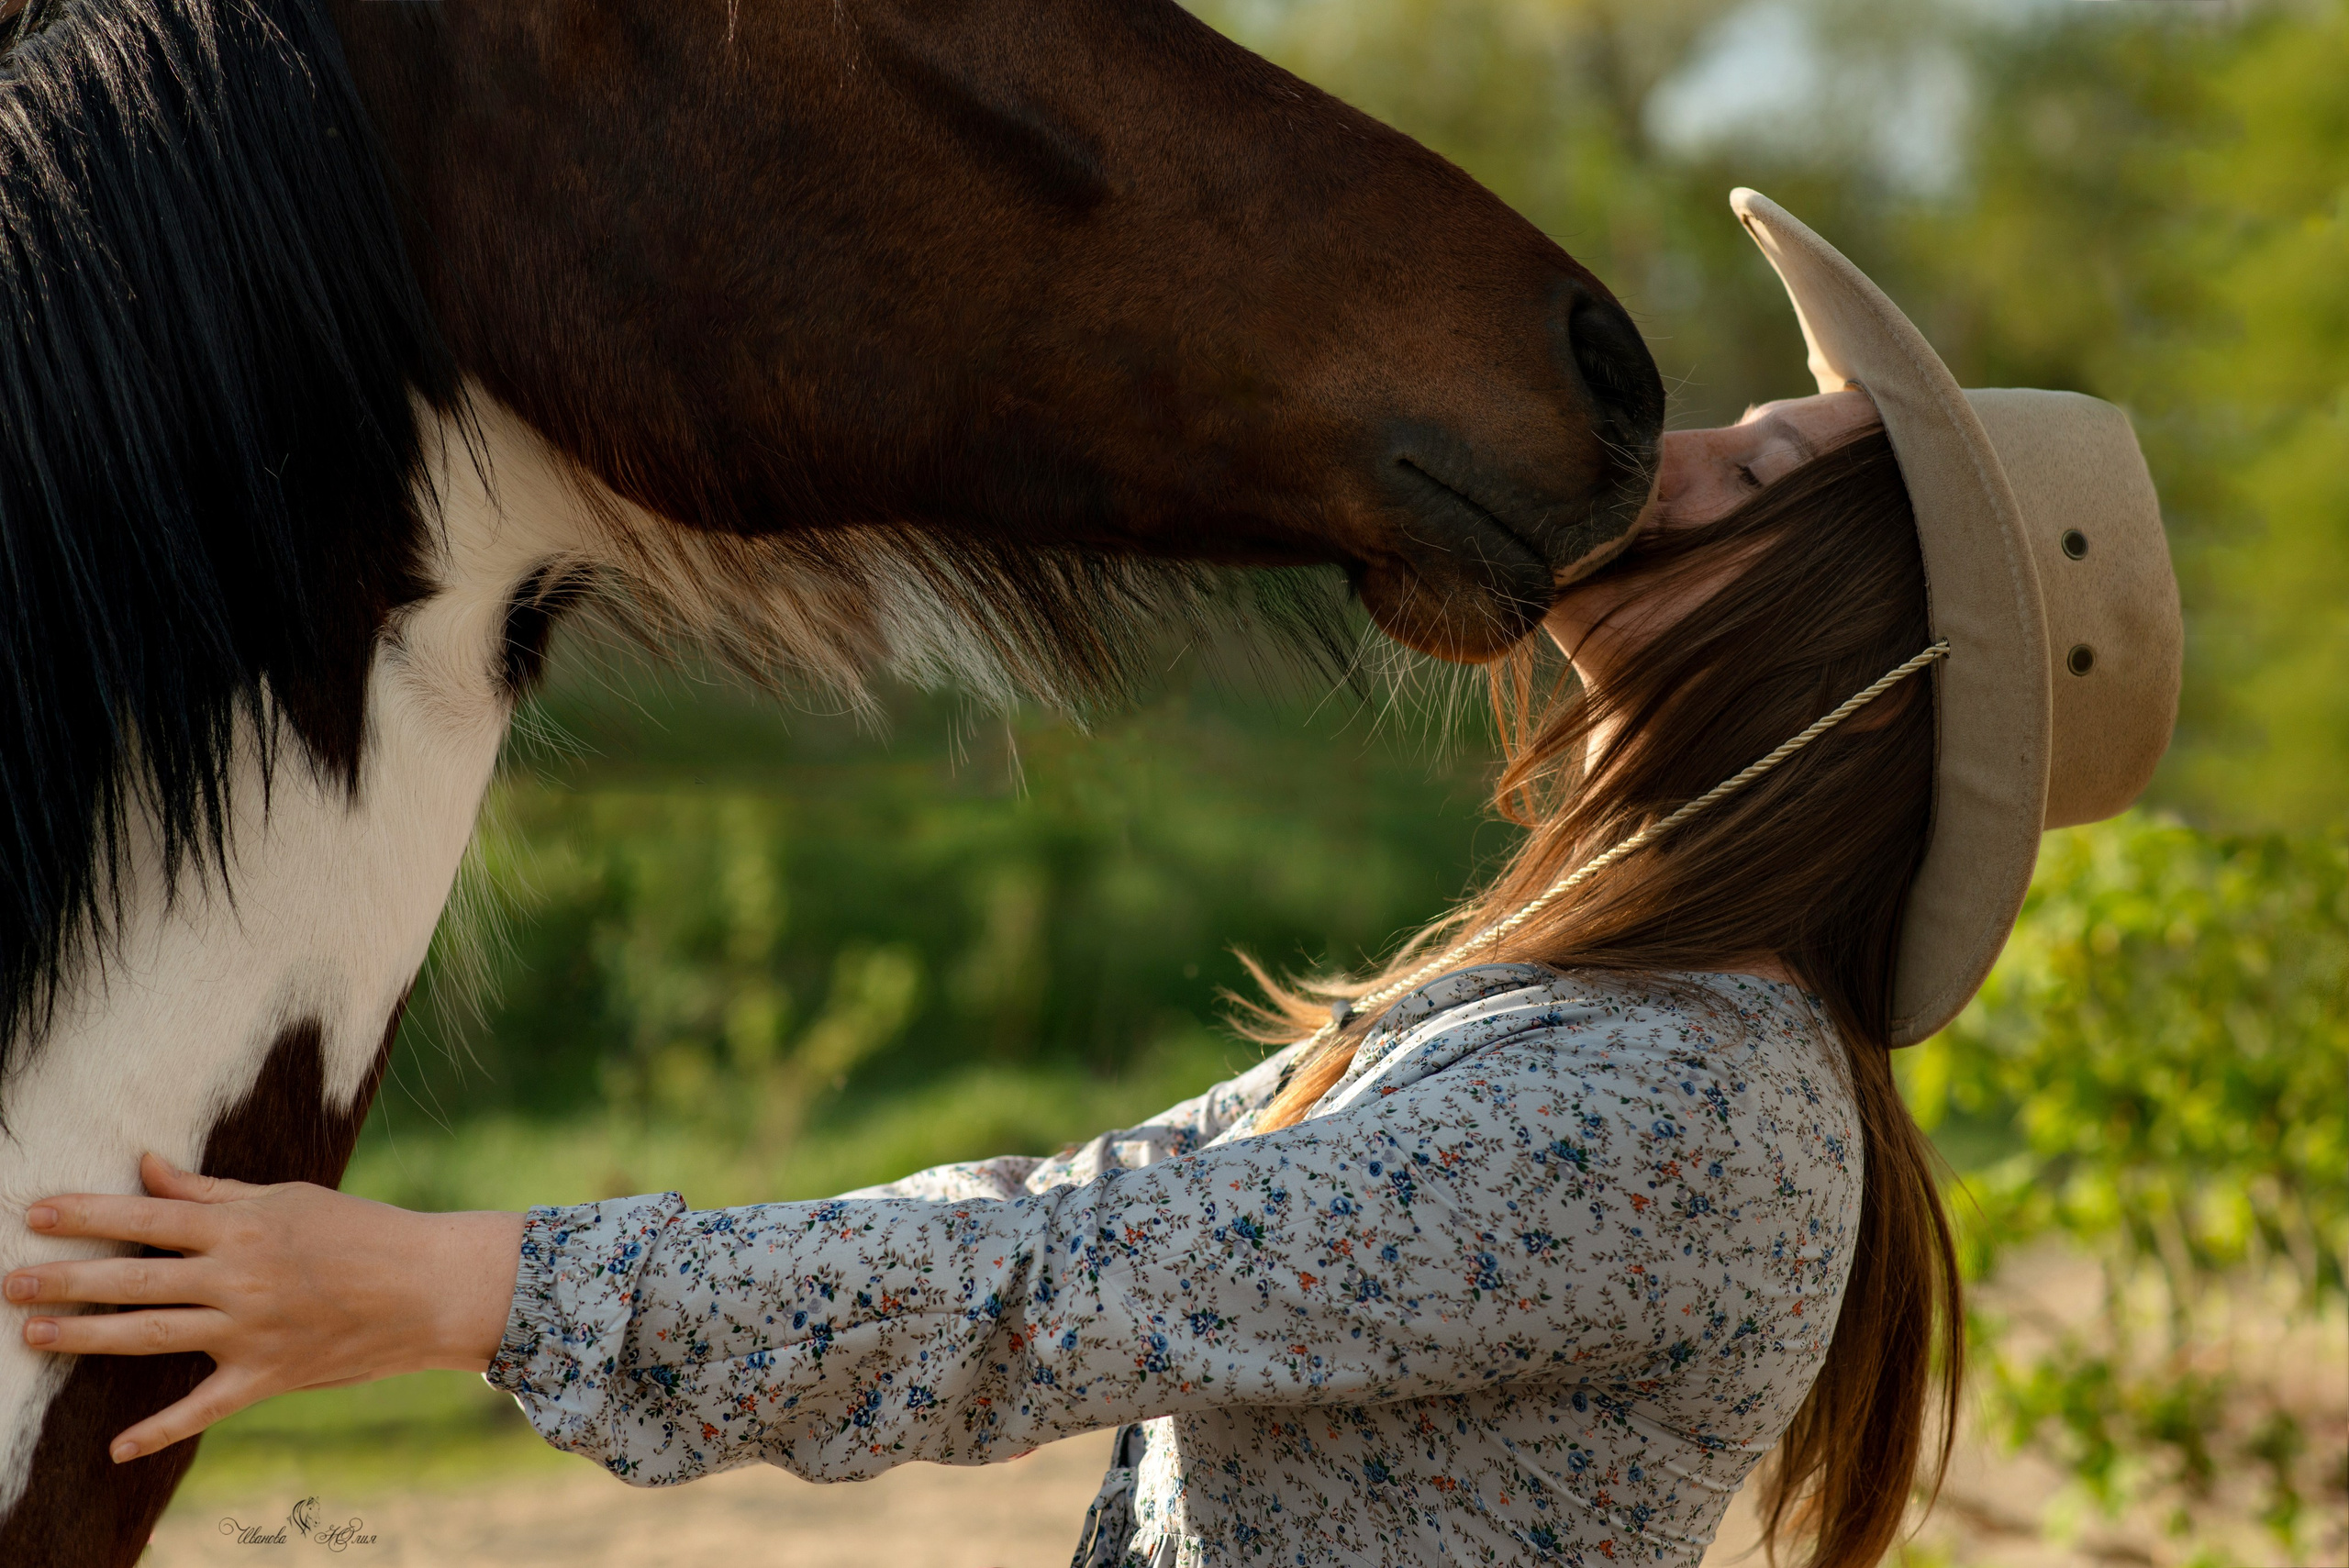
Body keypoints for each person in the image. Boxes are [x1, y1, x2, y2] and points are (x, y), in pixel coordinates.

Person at [4, 191, 2181, 1568]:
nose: (1676, 453)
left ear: (1849, 640)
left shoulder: (1669, 1112)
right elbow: (1077, 1224)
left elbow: (1048, 1288)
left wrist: (441, 1288)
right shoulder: (1606, 1029)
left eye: (1766, 468)